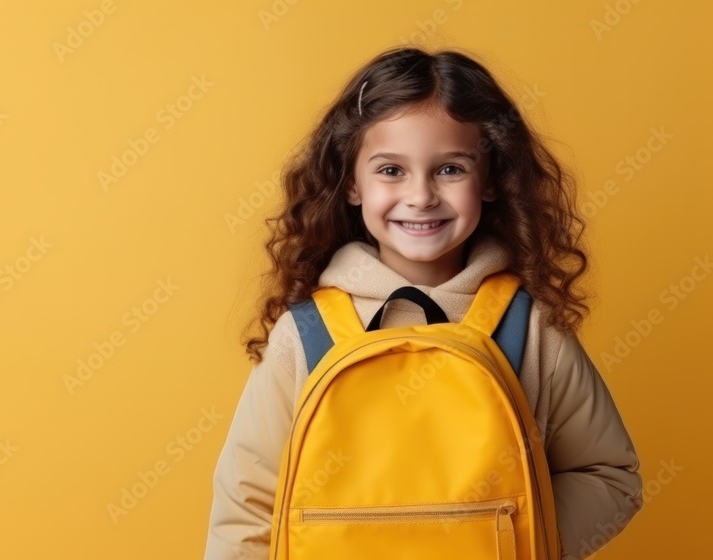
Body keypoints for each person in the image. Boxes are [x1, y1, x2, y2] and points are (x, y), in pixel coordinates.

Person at [203, 46, 644, 560]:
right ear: (351, 184)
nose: (421, 196)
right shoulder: (304, 335)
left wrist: (519, 540)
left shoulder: (532, 326)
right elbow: (247, 504)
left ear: (493, 179)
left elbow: (609, 475)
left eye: (450, 169)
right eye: (391, 170)